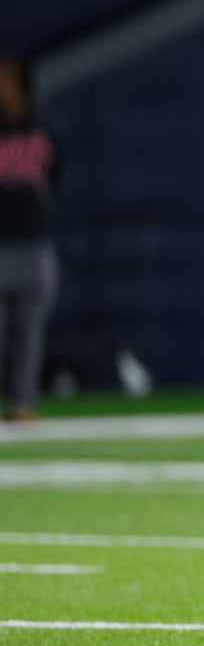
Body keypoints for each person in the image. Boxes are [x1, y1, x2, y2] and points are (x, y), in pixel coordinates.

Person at [0, 58, 61, 422]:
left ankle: (22, 402)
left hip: (34, 242)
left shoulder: (47, 130)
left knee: (29, 332)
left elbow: (57, 181)